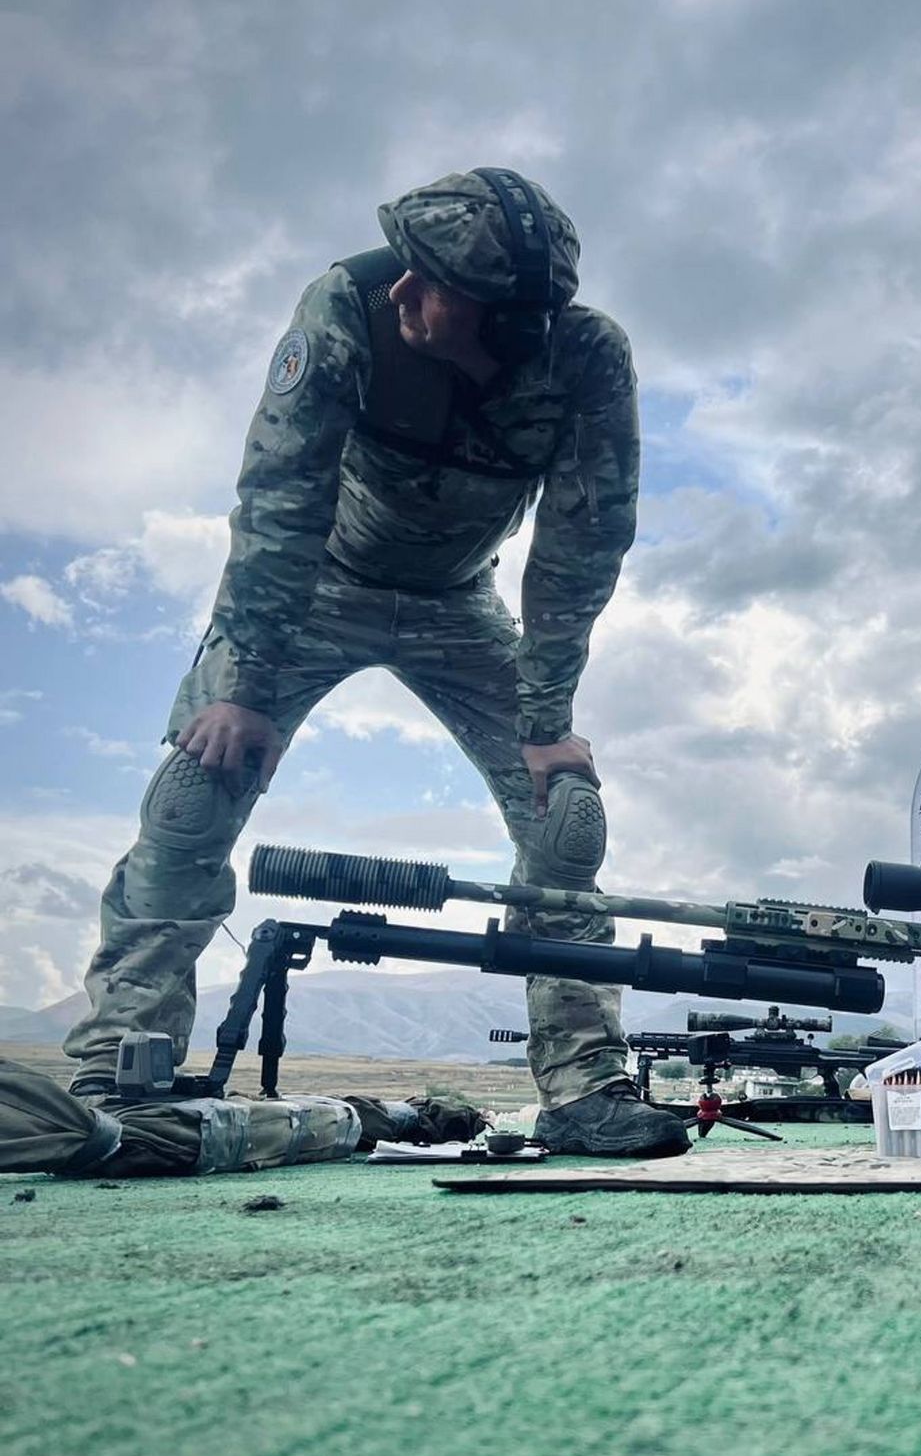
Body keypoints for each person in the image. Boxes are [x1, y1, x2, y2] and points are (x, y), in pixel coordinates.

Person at [63, 169, 689, 1158]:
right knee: (194, 786)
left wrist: (545, 720)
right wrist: (245, 687)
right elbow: (280, 496)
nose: (402, 289)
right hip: (313, 583)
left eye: (432, 282)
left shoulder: (584, 360)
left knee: (566, 821)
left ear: (509, 325)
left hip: (459, 606)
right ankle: (120, 1069)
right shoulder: (348, 306)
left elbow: (583, 542)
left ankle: (583, 1085)